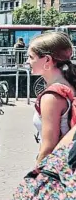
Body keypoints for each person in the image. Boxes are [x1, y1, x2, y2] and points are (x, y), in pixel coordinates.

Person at [28, 31, 76, 163]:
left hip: (61, 169)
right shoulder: (70, 83)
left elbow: (48, 148)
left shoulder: (51, 97)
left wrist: (36, 178)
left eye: (31, 57)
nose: (28, 61)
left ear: (47, 60)